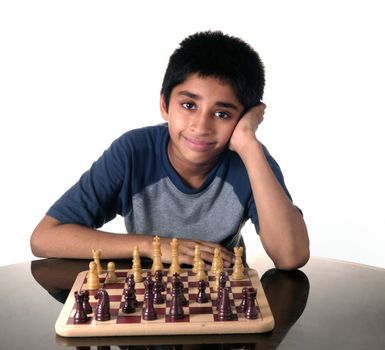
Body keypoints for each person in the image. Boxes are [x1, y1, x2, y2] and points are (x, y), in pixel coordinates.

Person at [30, 31, 309, 270]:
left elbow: (291, 256)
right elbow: (44, 238)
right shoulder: (133, 153)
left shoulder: (251, 160)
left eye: (223, 114)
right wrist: (154, 246)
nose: (201, 126)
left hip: (222, 295)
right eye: (189, 105)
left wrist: (248, 144)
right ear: (165, 104)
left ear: (243, 118)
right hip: (144, 294)